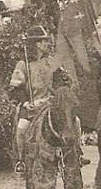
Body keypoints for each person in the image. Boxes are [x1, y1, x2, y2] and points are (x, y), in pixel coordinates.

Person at [9, 25, 64, 173]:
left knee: (74, 122)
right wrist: (27, 103)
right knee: (21, 128)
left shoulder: (52, 62)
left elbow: (61, 82)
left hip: (50, 104)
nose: (47, 44)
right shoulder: (23, 64)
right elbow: (16, 89)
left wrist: (57, 95)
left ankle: (75, 153)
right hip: (32, 106)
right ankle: (21, 161)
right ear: (37, 44)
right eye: (44, 41)